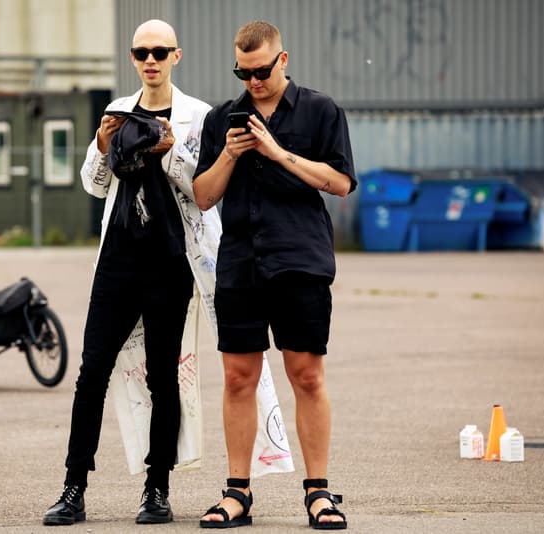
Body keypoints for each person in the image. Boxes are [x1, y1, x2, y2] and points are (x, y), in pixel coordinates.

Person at [43, 19, 214, 526]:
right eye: (142, 52)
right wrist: (100, 144)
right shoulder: (118, 112)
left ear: (176, 56)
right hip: (117, 262)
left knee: (164, 378)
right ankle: (73, 488)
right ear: (133, 57)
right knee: (91, 373)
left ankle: (156, 489)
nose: (151, 60)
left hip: (169, 264)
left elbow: (204, 189)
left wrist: (170, 155)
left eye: (160, 51)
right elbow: (95, 186)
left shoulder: (197, 116)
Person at [192, 21, 356, 530]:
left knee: (306, 376)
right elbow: (202, 196)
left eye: (261, 70)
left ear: (283, 60)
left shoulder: (320, 110)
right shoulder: (223, 117)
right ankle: (237, 493)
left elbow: (341, 183)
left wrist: (276, 152)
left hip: (300, 261)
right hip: (241, 263)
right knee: (238, 378)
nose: (254, 80)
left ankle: (319, 494)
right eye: (243, 72)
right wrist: (230, 153)